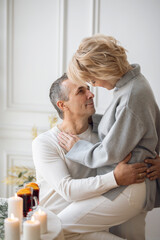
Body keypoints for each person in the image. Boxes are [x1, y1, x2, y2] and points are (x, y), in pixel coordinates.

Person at [57, 35, 160, 237]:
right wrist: (86, 119)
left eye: (92, 80)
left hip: (129, 186)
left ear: (102, 69)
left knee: (59, 228)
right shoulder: (133, 85)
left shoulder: (132, 95)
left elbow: (111, 152)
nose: (93, 86)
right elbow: (133, 124)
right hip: (133, 185)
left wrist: (76, 148)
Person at [32, 74, 148, 240]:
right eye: (81, 91)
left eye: (88, 89)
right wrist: (115, 178)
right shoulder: (44, 143)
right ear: (62, 105)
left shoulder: (107, 129)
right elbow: (68, 190)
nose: (91, 94)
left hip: (91, 222)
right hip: (55, 227)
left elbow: (145, 135)